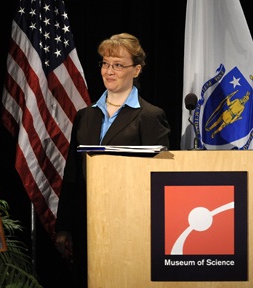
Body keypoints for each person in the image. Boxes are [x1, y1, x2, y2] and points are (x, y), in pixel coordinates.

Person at [55, 33, 170, 288]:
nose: (109, 71)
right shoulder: (85, 116)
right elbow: (72, 173)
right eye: (106, 64)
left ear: (136, 70)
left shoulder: (150, 116)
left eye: (118, 65)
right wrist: (64, 226)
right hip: (87, 224)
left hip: (132, 225)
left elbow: (160, 178)